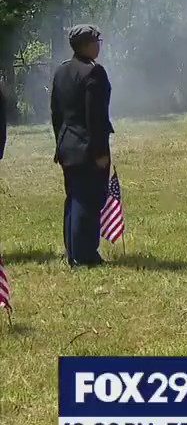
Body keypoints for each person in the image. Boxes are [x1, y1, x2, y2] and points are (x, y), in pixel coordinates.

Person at [51, 24, 114, 267]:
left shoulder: (61, 71)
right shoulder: (94, 72)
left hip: (67, 144)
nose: (99, 46)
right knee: (88, 200)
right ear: (86, 45)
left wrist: (61, 142)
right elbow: (95, 117)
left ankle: (73, 251)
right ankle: (85, 255)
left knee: (74, 198)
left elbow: (56, 114)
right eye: (96, 41)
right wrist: (100, 151)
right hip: (88, 147)